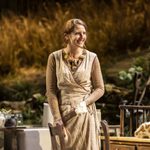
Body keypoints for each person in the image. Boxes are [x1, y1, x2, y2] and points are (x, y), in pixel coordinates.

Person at [46, 18, 104, 150]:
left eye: (84, 33)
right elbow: (51, 91)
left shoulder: (92, 58)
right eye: (77, 33)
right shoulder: (54, 58)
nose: (82, 37)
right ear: (67, 36)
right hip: (65, 115)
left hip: (85, 115)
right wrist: (57, 119)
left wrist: (85, 103)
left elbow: (100, 89)